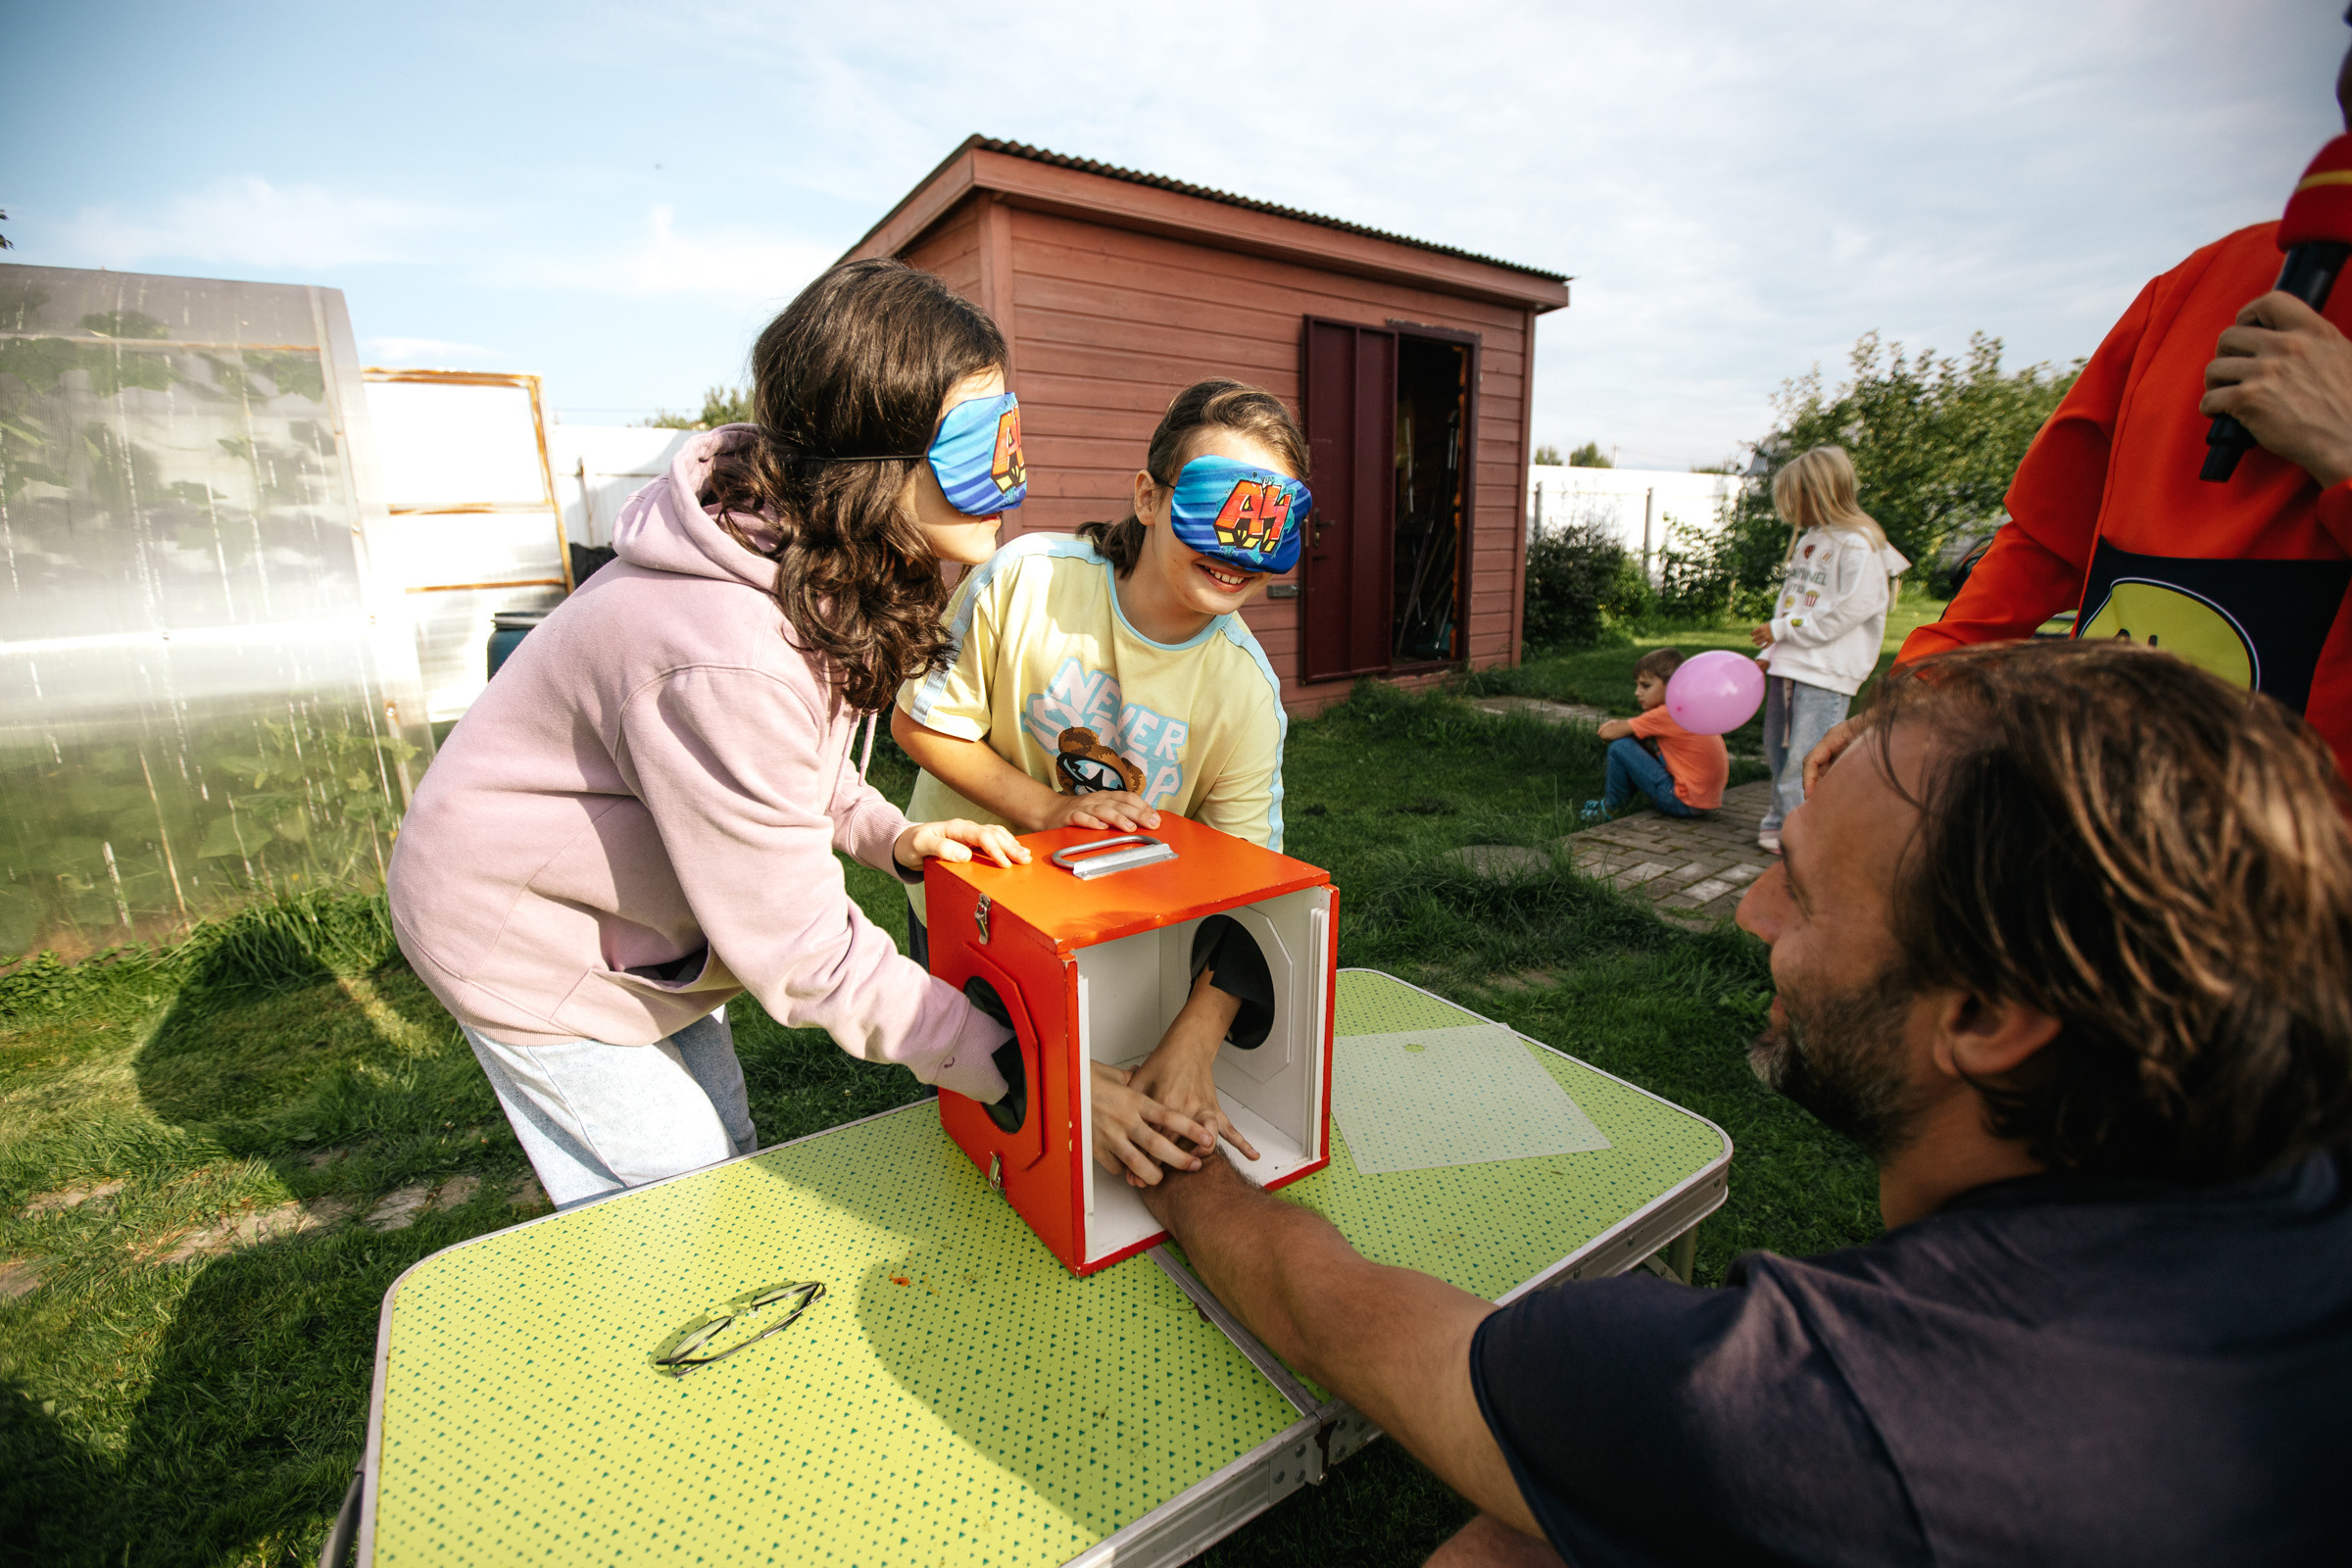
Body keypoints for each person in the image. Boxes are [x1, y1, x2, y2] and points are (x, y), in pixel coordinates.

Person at [1141, 638, 2352, 1567]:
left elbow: (1339, 1317)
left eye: (1804, 891)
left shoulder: (1800, 1414)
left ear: (1985, 1018)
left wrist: (1183, 1159)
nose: (1750, 914)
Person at [386, 260, 1031, 1208]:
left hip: (626, 922)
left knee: (722, 1138)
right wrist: (1005, 1064)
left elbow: (795, 759)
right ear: (870, 456)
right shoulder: (729, 649)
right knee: (675, 1193)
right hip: (513, 926)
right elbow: (809, 951)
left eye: (1011, 435)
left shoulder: (805, 560)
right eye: (981, 444)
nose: (1010, 476)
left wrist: (888, 835)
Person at [1812, 16, 2352, 788]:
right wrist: (1923, 694)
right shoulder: (2199, 285)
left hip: (2311, 861)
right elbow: (2046, 538)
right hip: (2107, 815)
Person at [892, 378, 1301, 1186]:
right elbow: (921, 723)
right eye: (1215, 507)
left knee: (1092, 1163)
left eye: (1266, 524)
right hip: (968, 926)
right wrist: (1052, 807)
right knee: (972, 1140)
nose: (1233, 548)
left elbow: (1252, 888)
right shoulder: (1025, 582)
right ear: (1148, 497)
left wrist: (1193, 1040)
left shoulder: (1245, 693)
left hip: (1116, 954)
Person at [1749, 446, 1909, 856]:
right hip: (1792, 663)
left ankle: (1805, 831)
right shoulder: (1813, 537)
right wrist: (1774, 646)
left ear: (1817, 492)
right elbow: (1796, 598)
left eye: (1792, 499)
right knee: (1778, 749)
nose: (1787, 509)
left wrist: (1783, 629)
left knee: (1807, 752)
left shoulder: (1858, 543)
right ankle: (1781, 819)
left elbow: (1854, 607)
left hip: (1824, 670)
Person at [1582, 647, 1728, 820]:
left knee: (1620, 747)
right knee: (1635, 745)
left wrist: (1619, 727)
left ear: (1673, 685)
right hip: (1703, 803)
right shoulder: (1688, 710)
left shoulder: (1667, 713)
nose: (1637, 692)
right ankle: (1616, 803)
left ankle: (1611, 808)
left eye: (1645, 686)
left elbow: (1607, 734)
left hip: (1682, 802)